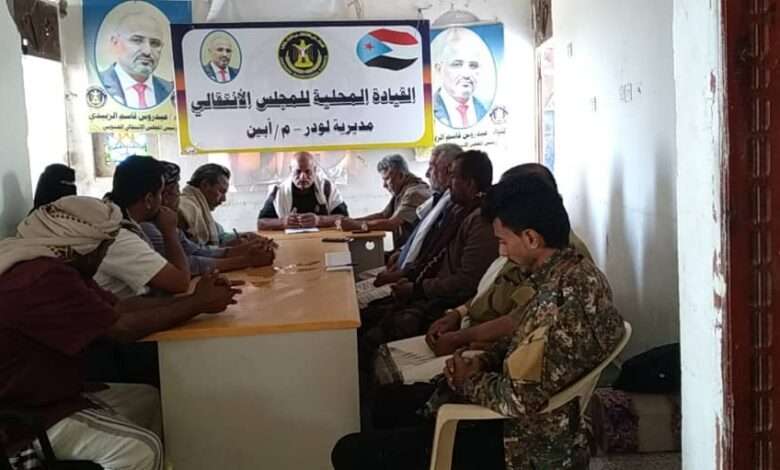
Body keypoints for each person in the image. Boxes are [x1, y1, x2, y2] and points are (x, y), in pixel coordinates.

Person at [332, 176, 626, 470]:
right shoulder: (569, 271)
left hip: (519, 443)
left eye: (503, 241)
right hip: (513, 411)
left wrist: (467, 380)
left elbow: (521, 400)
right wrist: (483, 361)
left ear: (531, 238)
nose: (501, 252)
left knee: (350, 451)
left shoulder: (562, 301)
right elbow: (525, 341)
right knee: (386, 403)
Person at [0, 196, 240, 469]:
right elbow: (120, 329)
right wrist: (197, 304)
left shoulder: (57, 265)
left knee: (146, 399)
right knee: (139, 450)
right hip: (22, 415)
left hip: (47, 392)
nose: (103, 256)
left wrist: (195, 300)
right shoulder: (42, 277)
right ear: (87, 249)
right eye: (104, 248)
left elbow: (118, 307)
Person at [373, 164, 592, 389]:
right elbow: (519, 322)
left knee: (397, 389)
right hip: (482, 344)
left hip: (509, 387)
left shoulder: (563, 279)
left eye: (503, 242)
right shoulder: (542, 258)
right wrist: (460, 318)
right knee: (386, 363)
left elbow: (524, 388)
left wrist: (468, 372)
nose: (502, 252)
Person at [358, 151, 498, 383]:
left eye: (453, 176)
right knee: (365, 318)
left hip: (441, 303)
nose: (448, 182)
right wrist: (408, 275)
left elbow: (466, 282)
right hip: (426, 290)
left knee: (370, 338)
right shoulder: (457, 210)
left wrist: (417, 288)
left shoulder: (481, 222)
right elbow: (431, 255)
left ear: (470, 183)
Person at [143, 161, 275, 274]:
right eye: (175, 191)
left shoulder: (192, 210)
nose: (224, 199)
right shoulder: (182, 212)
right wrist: (246, 260)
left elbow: (199, 251)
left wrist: (248, 246)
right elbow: (188, 265)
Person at [95, 155, 191, 299]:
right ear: (149, 200)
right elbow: (180, 283)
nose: (163, 201)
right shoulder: (118, 236)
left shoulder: (114, 217)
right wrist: (169, 232)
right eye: (160, 194)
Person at [372, 143, 462, 289]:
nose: (427, 174)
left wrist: (406, 277)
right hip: (410, 273)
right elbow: (421, 234)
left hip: (418, 282)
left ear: (449, 170)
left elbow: (432, 254)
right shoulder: (438, 198)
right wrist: (402, 251)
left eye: (432, 167)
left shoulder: (450, 206)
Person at [340, 154, 431, 249]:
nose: (384, 185)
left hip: (416, 252)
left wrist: (357, 225)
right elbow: (383, 215)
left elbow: (392, 224)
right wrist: (352, 221)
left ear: (401, 175)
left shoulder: (414, 193)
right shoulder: (402, 190)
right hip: (406, 249)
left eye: (387, 179)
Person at [99, 10, 172, 109]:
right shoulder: (98, 83)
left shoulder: (171, 90)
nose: (147, 51)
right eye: (137, 40)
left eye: (155, 43)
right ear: (115, 42)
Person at [257, 151, 348, 230]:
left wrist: (319, 220)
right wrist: (283, 222)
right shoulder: (279, 191)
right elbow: (261, 223)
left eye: (308, 172)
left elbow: (345, 219)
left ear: (315, 170)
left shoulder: (327, 188)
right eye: (298, 172)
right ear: (290, 170)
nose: (303, 177)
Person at [179, 163, 255, 247]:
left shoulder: (200, 209)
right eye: (221, 191)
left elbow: (220, 235)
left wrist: (246, 236)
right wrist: (226, 248)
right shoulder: (186, 209)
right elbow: (191, 251)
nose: (224, 199)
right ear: (205, 185)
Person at [433, 27, 490, 129]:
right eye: (457, 64)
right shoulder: (429, 109)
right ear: (439, 69)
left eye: (473, 65)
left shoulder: (485, 110)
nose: (466, 74)